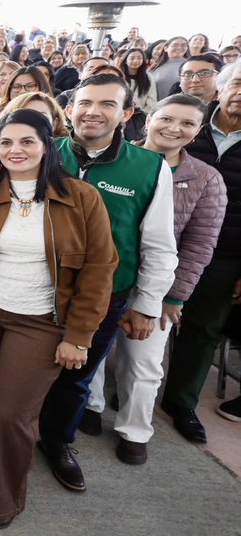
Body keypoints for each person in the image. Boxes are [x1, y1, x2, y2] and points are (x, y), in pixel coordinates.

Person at [0, 109, 116, 528]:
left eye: (26, 142)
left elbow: (99, 268)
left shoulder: (81, 197)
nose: (15, 150)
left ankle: (3, 498)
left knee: (9, 411)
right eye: (5, 142)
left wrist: (79, 336)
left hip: (42, 320)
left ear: (46, 147)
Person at [36, 74, 178, 492]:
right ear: (69, 109)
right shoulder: (43, 153)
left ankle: (58, 442)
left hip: (105, 295)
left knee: (75, 377)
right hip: (37, 290)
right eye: (85, 103)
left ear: (127, 114)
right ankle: (16, 435)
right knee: (26, 370)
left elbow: (158, 243)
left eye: (106, 104)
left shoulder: (149, 167)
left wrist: (146, 303)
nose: (93, 112)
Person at [81, 94, 226, 461]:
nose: (174, 128)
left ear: (197, 132)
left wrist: (172, 296)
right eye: (167, 118)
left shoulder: (206, 179)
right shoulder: (114, 158)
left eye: (188, 123)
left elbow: (200, 245)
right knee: (91, 350)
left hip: (157, 284)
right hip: (105, 277)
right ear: (148, 119)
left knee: (143, 362)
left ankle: (134, 429)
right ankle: (92, 406)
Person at [163, 62, 241, 436]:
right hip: (165, 247)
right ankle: (131, 390)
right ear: (220, 89)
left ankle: (181, 402)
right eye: (238, 83)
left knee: (203, 328)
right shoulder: (185, 126)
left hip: (227, 253)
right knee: (147, 318)